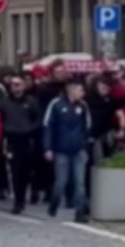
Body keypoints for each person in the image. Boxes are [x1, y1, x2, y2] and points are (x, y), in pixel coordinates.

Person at [43, 79, 91, 223]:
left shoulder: (83, 106)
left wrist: (85, 145)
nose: (82, 93)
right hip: (60, 149)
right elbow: (48, 126)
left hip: (78, 149)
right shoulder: (56, 104)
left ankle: (80, 211)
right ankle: (54, 203)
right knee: (61, 182)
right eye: (80, 90)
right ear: (71, 89)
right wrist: (48, 148)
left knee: (79, 182)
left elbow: (87, 127)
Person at [0, 73, 42, 214]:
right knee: (15, 172)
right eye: (12, 84)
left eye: (18, 84)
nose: (14, 87)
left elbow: (38, 119)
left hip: (27, 140)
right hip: (10, 140)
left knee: (26, 171)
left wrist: (30, 129)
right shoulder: (4, 102)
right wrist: (4, 130)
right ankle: (18, 201)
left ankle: (26, 195)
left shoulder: (31, 101)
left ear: (24, 86)